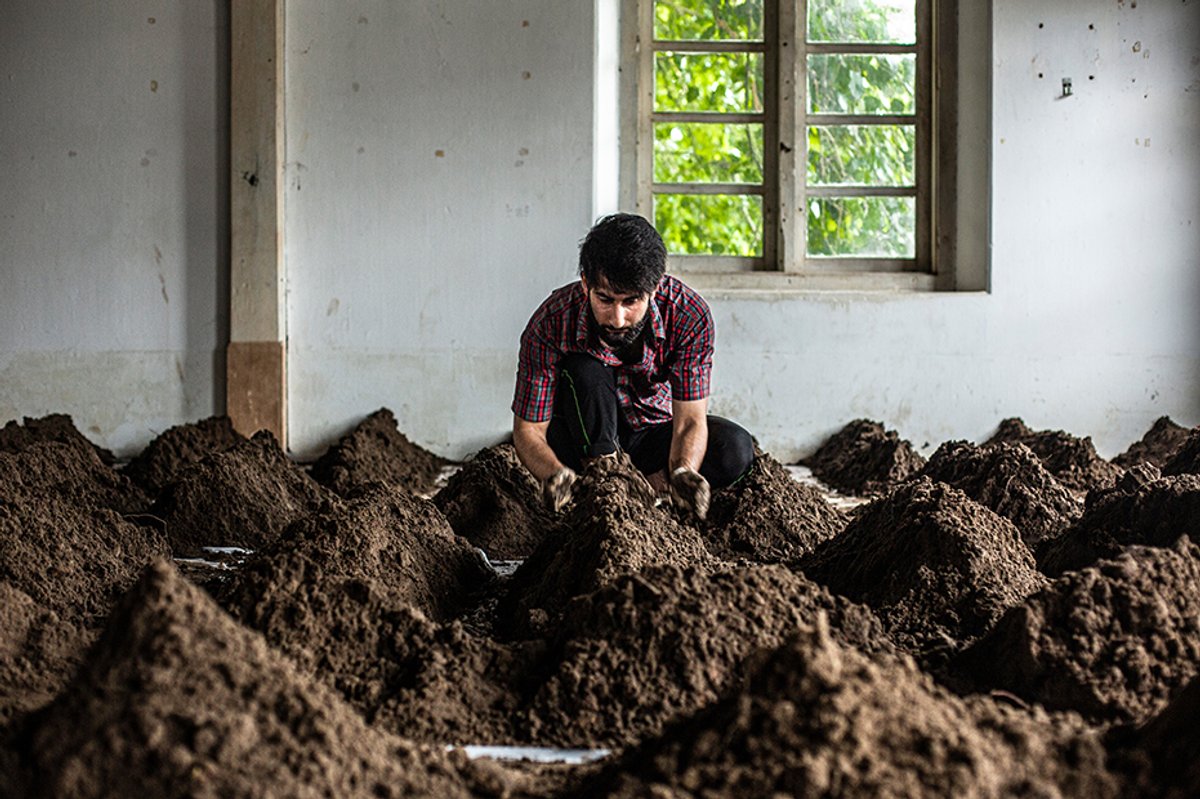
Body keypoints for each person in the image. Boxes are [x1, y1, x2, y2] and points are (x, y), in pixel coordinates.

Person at [511, 213, 755, 519]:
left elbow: (689, 421)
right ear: (586, 283)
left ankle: (644, 491)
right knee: (585, 369)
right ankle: (601, 483)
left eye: (631, 302)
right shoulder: (551, 322)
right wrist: (554, 474)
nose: (617, 319)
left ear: (655, 287)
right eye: (605, 299)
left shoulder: (689, 315)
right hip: (579, 438)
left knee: (735, 448)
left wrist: (682, 471)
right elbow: (528, 429)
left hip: (653, 433)